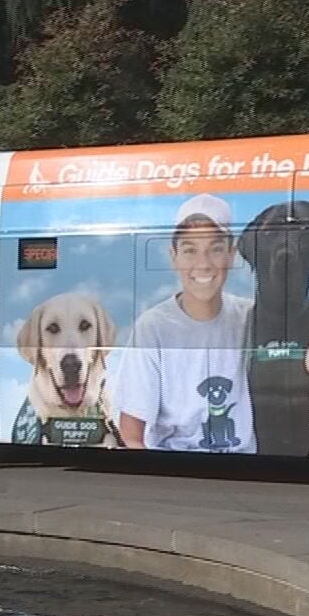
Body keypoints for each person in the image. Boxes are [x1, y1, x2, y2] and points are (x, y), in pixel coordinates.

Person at [113, 193, 257, 453]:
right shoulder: (153, 327)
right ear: (174, 257)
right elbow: (131, 433)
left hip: (244, 471)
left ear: (231, 255)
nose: (203, 264)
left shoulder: (250, 317)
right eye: (190, 250)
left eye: (215, 249)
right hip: (176, 471)